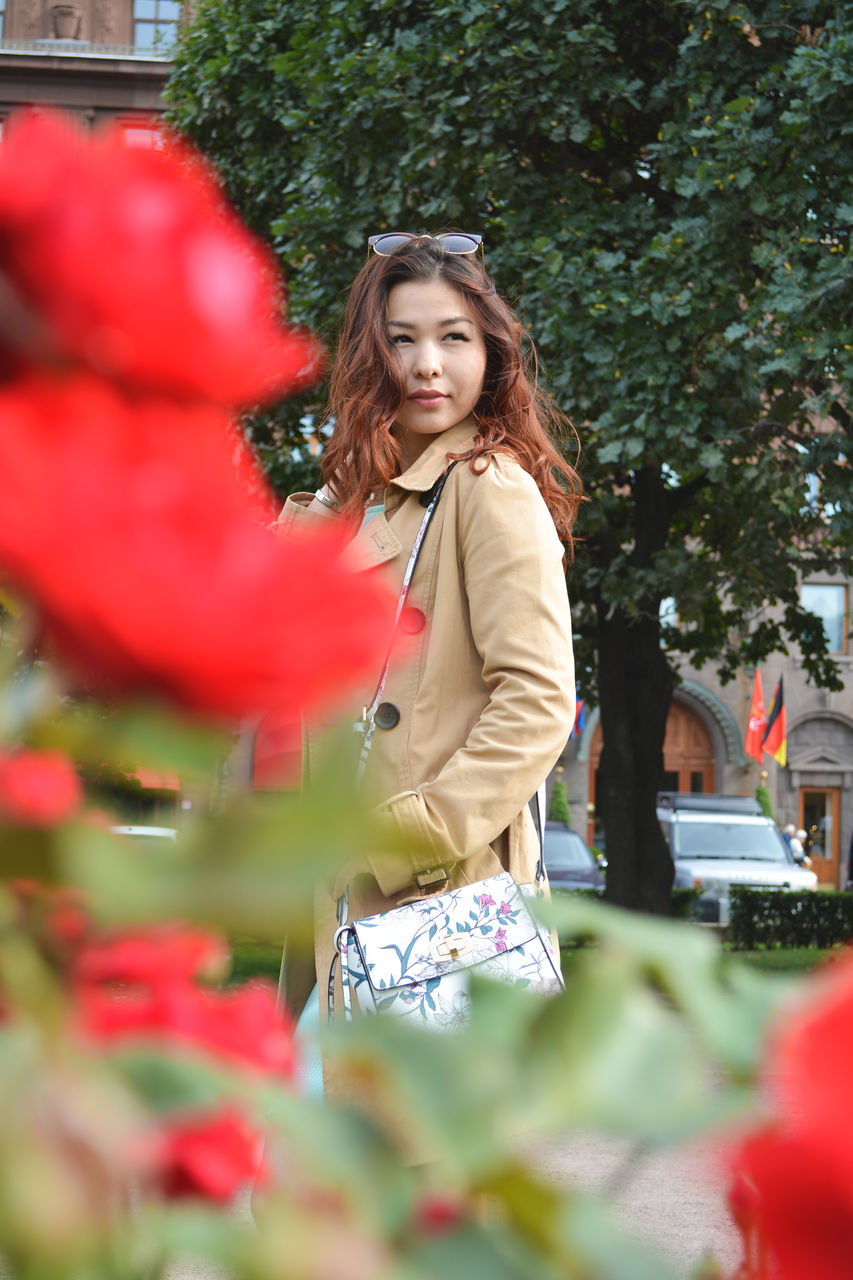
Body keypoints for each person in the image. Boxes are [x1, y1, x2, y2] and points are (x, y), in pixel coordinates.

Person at [276, 231, 581, 1094]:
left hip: (431, 898)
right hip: (348, 902)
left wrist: (406, 838)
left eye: (453, 337)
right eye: (400, 340)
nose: (427, 364)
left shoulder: (488, 486)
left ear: (490, 354)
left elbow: (536, 701)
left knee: (397, 1179)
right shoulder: (385, 495)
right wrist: (347, 477)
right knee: (326, 1184)